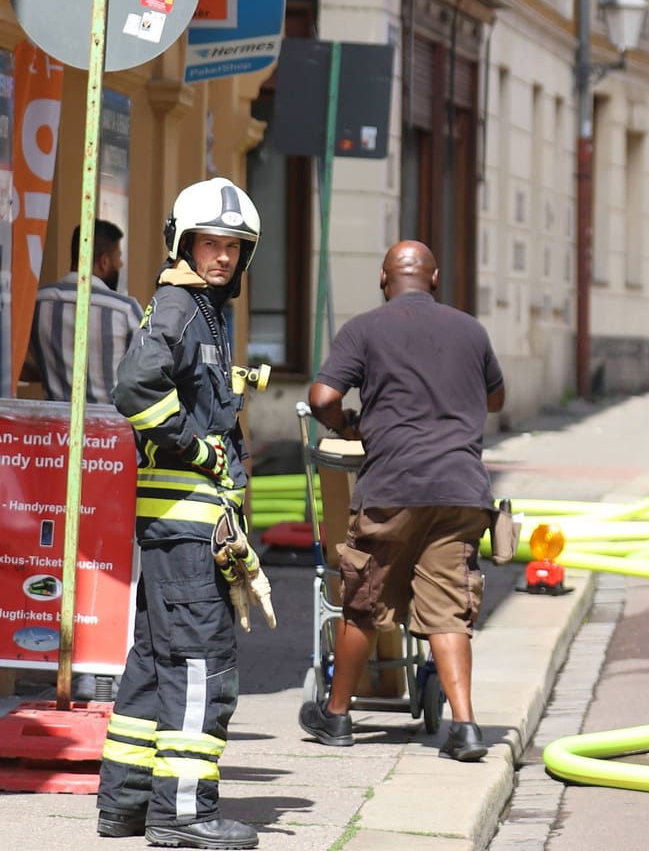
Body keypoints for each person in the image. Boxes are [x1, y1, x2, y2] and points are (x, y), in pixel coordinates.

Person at [97, 177, 267, 849]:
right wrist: (197, 448)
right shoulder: (181, 307)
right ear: (184, 243)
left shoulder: (202, 309)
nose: (222, 256)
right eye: (210, 243)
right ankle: (185, 815)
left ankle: (127, 807)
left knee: (154, 663)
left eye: (233, 246)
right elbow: (134, 387)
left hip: (177, 526)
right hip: (188, 523)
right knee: (202, 664)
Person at [297, 240, 505, 764]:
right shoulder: (471, 330)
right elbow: (497, 397)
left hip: (392, 488)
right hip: (461, 492)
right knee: (449, 610)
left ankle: (338, 716)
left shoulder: (364, 329)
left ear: (383, 279)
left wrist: (348, 424)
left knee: (364, 601)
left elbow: (322, 397)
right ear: (434, 278)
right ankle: (465, 726)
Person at [25, 220, 143, 403]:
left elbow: (12, 363)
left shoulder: (36, 303)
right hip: (112, 428)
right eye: (117, 257)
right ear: (104, 261)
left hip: (55, 428)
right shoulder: (124, 310)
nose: (120, 263)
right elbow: (147, 371)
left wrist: (48, 370)